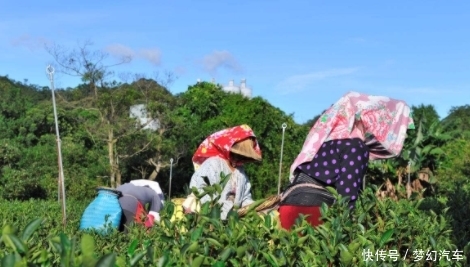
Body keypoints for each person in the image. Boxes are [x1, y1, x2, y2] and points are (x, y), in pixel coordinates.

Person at [278, 91, 415, 230]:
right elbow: (347, 192)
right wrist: (348, 227)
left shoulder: (325, 141)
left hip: (288, 206)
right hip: (314, 210)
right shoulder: (356, 146)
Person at [182, 124, 263, 220]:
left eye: (243, 156)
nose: (238, 158)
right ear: (228, 149)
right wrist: (225, 209)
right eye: (236, 154)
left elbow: (245, 197)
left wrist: (255, 208)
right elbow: (201, 190)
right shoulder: (213, 164)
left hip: (232, 219)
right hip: (210, 217)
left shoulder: (241, 172)